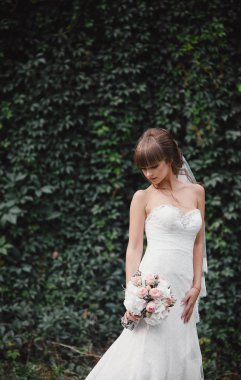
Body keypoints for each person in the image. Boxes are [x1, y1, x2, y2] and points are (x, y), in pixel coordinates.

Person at [85, 127, 207, 379]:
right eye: (144, 168)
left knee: (180, 348)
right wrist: (134, 293)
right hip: (155, 283)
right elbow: (134, 247)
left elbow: (198, 242)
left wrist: (196, 285)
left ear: (171, 159)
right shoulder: (142, 197)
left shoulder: (197, 192)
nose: (149, 174)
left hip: (185, 285)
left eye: (155, 165)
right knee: (147, 349)